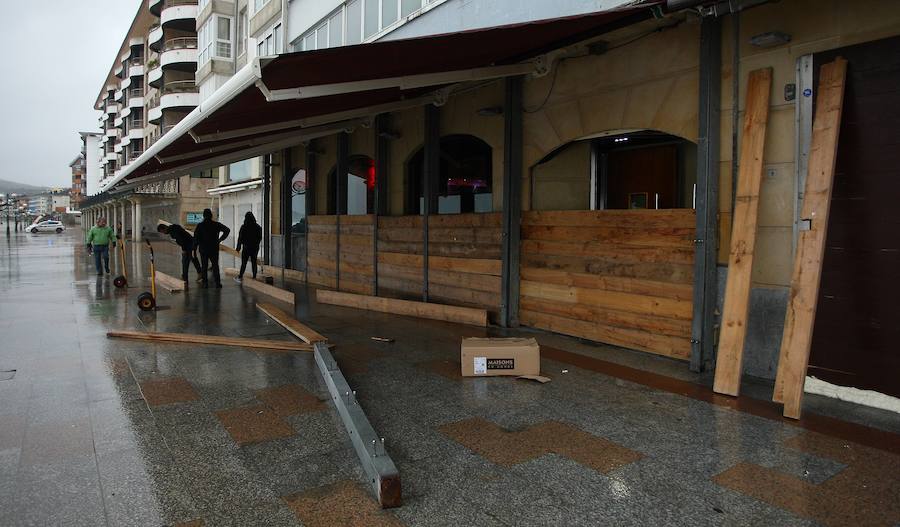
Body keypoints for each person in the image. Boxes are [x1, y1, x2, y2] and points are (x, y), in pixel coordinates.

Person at [157, 222, 202, 289]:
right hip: (191, 243)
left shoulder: (173, 231)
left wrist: (183, 249)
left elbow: (181, 239)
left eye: (162, 231)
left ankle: (185, 278)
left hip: (189, 245)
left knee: (185, 261)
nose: (163, 233)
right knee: (193, 259)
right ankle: (199, 273)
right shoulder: (173, 228)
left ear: (164, 228)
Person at [192, 208, 230, 288]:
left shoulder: (200, 226)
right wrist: (220, 240)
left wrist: (194, 249)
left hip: (203, 249)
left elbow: (196, 238)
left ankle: (205, 283)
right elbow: (227, 230)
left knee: (204, 267)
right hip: (214, 249)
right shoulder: (216, 224)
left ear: (203, 216)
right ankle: (217, 283)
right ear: (211, 215)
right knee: (215, 266)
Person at [234, 211, 262, 283]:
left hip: (246, 247)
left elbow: (240, 238)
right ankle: (254, 276)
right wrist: (256, 244)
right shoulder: (258, 227)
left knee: (244, 263)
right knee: (254, 262)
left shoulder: (244, 227)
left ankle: (240, 276)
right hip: (255, 248)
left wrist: (238, 247)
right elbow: (259, 238)